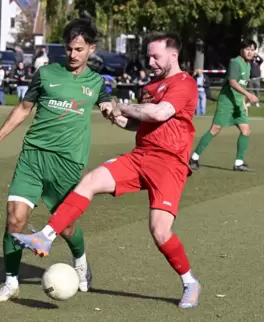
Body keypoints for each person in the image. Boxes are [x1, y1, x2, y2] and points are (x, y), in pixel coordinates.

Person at [11, 31, 202, 309]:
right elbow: (141, 124)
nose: (150, 61)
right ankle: (45, 236)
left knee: (160, 232)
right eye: (148, 55)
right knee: (89, 182)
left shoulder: (184, 82)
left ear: (173, 55)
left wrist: (121, 105)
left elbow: (159, 114)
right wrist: (116, 117)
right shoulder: (151, 86)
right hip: (141, 157)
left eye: (155, 56)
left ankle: (190, 283)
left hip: (169, 164)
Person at [0, 18, 113, 303]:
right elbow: (23, 108)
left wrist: (110, 109)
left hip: (68, 164)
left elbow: (108, 106)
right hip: (33, 157)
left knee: (66, 227)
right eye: (69, 48)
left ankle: (81, 262)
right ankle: (11, 282)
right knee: (15, 220)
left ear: (91, 48)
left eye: (79, 49)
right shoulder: (45, 74)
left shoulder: (96, 82)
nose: (73, 54)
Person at [190, 39, 259, 171]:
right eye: (247, 49)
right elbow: (232, 82)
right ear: (241, 50)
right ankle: (194, 157)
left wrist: (244, 102)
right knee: (215, 129)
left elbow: (242, 84)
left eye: (252, 49)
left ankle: (238, 163)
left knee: (246, 130)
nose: (250, 52)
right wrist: (249, 95)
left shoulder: (248, 65)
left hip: (238, 103)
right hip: (226, 102)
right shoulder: (235, 62)